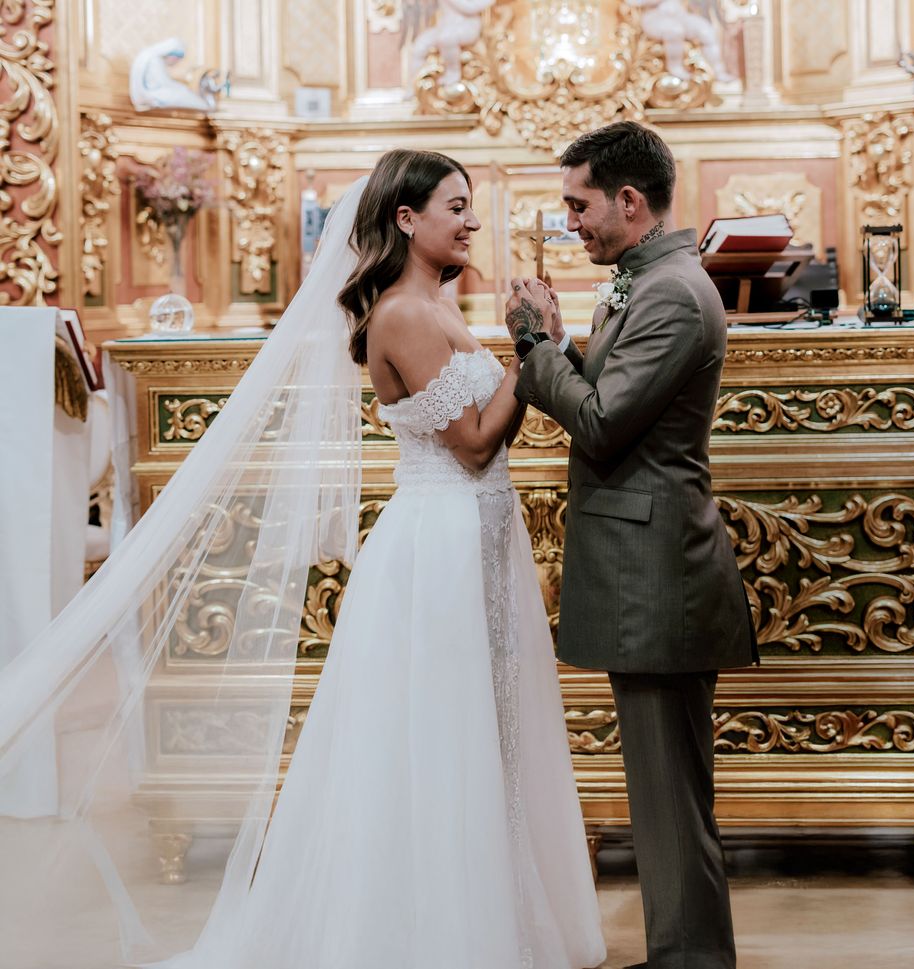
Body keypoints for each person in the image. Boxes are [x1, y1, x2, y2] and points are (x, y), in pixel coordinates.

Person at [0, 150, 605, 969]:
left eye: (471, 206)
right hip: (438, 547)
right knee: (439, 735)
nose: (471, 220)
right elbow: (469, 443)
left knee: (483, 732)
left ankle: (492, 916)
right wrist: (536, 348)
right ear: (406, 218)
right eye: (456, 206)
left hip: (479, 537)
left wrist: (535, 348)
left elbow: (490, 423)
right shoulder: (400, 313)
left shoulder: (440, 301)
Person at [504, 121, 758, 969]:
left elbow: (606, 423)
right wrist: (563, 347)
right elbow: (616, 394)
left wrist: (540, 346)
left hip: (660, 575)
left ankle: (691, 960)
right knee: (663, 792)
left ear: (628, 200)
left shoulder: (671, 293)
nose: (570, 221)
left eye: (578, 205)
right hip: (646, 567)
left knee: (669, 794)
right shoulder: (646, 283)